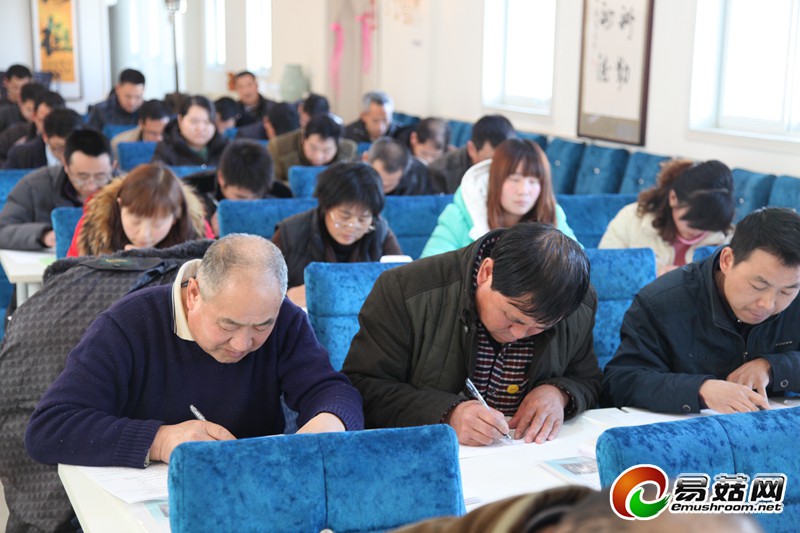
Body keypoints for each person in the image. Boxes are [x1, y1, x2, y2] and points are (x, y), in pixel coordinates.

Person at [25, 234, 364, 468]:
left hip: (249, 492)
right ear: (194, 295)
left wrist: (327, 424)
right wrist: (160, 441)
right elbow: (49, 428)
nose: (243, 344)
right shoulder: (130, 323)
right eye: (228, 326)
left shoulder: (285, 320)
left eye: (261, 327)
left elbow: (331, 390)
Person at [342, 223, 601, 446]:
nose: (519, 334)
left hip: (526, 457)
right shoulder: (405, 290)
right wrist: (447, 415)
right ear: (486, 272)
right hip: (430, 455)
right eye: (512, 317)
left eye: (539, 327)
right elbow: (362, 386)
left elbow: (589, 380)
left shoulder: (577, 306)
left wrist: (559, 393)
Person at [602, 207, 800, 414]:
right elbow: (620, 382)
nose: (768, 304)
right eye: (758, 286)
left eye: (786, 291)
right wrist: (699, 390)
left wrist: (775, 367)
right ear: (727, 261)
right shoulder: (661, 302)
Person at [272, 162, 402, 307]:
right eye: (344, 216)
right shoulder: (289, 234)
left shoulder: (380, 234)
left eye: (363, 218)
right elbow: (264, 292)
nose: (352, 226)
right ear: (326, 206)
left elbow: (401, 287)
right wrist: (287, 298)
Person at [421, 138, 577, 258]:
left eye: (533, 181)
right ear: (495, 181)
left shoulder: (552, 214)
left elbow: (578, 266)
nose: (523, 191)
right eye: (514, 179)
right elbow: (429, 271)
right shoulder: (460, 215)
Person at [599, 159, 735, 276]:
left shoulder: (728, 239)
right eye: (694, 222)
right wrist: (651, 275)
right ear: (673, 198)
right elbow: (602, 269)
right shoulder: (631, 218)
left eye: (709, 224)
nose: (698, 231)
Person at [0, 129, 113, 250]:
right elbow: (3, 231)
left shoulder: (124, 189)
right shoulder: (34, 186)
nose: (92, 186)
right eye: (82, 177)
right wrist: (43, 235)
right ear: (66, 166)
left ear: (113, 166)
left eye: (100, 176)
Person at [67, 164, 212, 257]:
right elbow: (70, 281)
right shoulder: (92, 228)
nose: (144, 234)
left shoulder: (198, 232)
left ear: (175, 218)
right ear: (120, 206)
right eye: (135, 221)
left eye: (157, 224)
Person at [184, 139, 292, 236]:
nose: (248, 205)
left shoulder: (281, 197)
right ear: (221, 178)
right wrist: (208, 231)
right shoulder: (192, 194)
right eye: (241, 198)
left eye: (256, 197)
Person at [429, 114, 516, 194]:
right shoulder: (440, 173)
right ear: (472, 150)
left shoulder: (518, 163)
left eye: (504, 159)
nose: (499, 167)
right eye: (489, 161)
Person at [268, 112, 357, 183]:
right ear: (303, 138)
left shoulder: (349, 151)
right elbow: (273, 185)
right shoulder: (278, 147)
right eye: (313, 148)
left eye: (326, 150)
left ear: (338, 144)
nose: (318, 157)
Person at [151, 95, 228, 167]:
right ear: (180, 121)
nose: (201, 128)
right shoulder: (165, 150)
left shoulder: (225, 149)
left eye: (207, 122)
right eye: (194, 121)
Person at [0, 89, 64, 167]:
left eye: (53, 122)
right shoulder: (14, 135)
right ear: (33, 116)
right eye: (43, 121)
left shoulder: (72, 143)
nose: (47, 127)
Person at [4, 108, 83, 170]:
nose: (65, 156)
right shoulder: (20, 156)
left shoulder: (88, 154)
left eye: (72, 148)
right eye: (59, 149)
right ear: (45, 137)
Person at [365, 137, 433, 195]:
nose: (380, 190)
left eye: (389, 185)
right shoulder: (359, 173)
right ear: (365, 159)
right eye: (377, 181)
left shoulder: (421, 179)